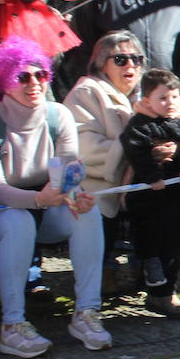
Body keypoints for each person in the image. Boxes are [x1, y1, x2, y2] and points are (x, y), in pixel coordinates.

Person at [0, 38, 105, 357]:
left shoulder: (58, 115)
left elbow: (68, 171)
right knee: (18, 222)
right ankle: (12, 325)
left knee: (88, 212)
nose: (34, 84)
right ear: (3, 80)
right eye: (23, 77)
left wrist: (74, 195)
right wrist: (41, 200)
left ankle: (87, 313)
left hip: (47, 205)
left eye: (40, 75)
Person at [119, 68, 180, 318]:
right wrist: (153, 176)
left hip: (179, 189)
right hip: (149, 190)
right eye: (162, 98)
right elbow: (136, 152)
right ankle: (151, 263)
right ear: (147, 99)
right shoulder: (139, 125)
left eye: (174, 97)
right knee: (150, 223)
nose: (170, 103)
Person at [63, 30, 145, 295]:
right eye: (120, 59)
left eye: (137, 59)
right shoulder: (86, 92)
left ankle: (157, 277)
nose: (131, 65)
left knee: (168, 202)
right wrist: (136, 150)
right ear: (102, 63)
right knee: (98, 207)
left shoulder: (148, 94)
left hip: (137, 182)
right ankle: (102, 272)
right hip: (96, 183)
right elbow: (83, 148)